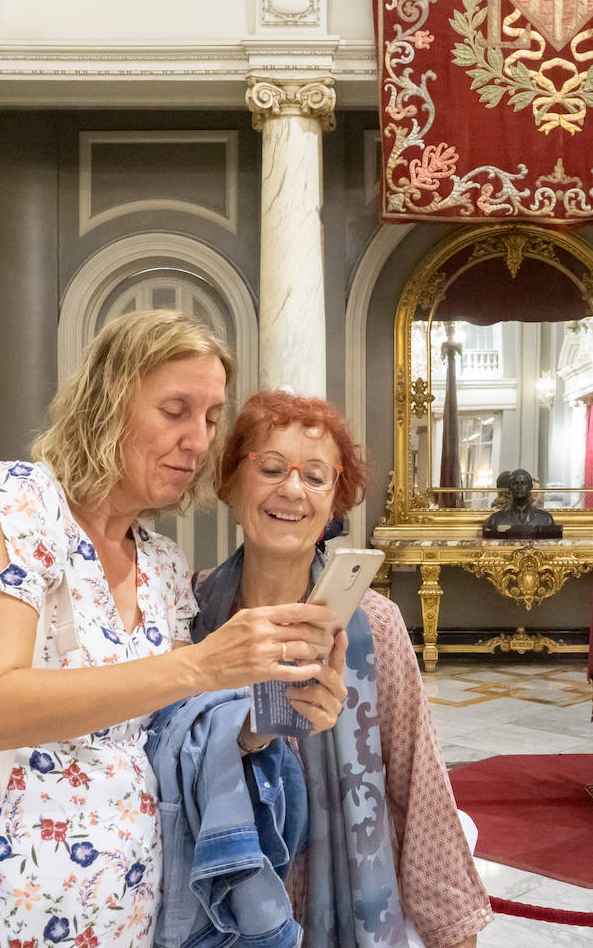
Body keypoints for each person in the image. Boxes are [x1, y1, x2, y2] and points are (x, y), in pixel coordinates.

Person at [0, 311, 343, 948]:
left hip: (138, 912)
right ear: (105, 404)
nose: (199, 441)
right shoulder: (16, 502)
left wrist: (270, 719)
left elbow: (179, 732)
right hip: (1, 908)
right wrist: (202, 666)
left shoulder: (162, 564)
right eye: (175, 410)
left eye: (208, 417)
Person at [191, 391, 493, 948]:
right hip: (217, 902)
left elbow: (417, 783)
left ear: (334, 503)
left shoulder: (373, 624)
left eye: (315, 476)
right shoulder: (191, 610)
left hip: (341, 905)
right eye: (271, 467)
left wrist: (451, 931)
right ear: (232, 486)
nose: (291, 490)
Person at [480, 467, 561, 538]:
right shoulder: (494, 520)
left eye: (523, 483)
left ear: (530, 487)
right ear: (510, 487)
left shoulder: (546, 519)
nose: (519, 487)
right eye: (515, 483)